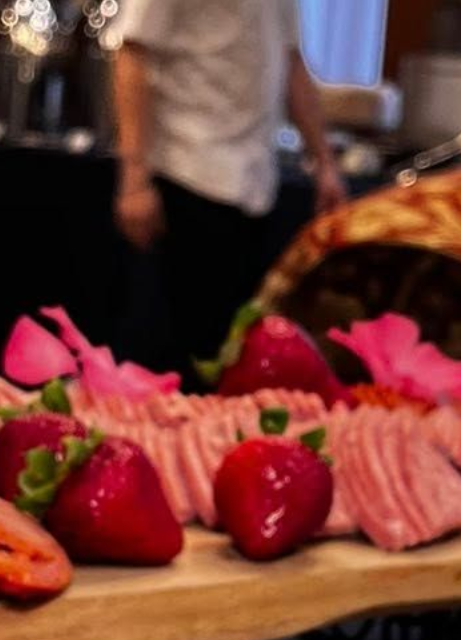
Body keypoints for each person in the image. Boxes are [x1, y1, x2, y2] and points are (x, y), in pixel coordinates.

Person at [112, 0, 344, 376]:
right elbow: (132, 52)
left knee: (233, 358)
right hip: (186, 170)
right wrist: (134, 179)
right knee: (168, 361)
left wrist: (325, 162)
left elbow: (291, 62)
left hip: (256, 185)